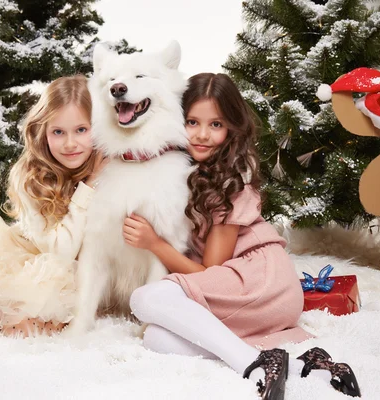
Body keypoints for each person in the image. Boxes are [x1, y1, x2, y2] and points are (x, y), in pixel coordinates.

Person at [123, 73, 360, 399]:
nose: (202, 135)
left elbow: (210, 273)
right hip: (249, 295)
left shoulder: (230, 179)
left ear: (232, 128)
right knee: (157, 339)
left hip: (259, 283)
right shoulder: (182, 169)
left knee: (145, 299)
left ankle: (254, 366)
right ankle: (311, 368)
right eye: (192, 122)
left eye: (216, 125)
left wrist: (155, 244)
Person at [0, 75, 106, 337]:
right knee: (21, 325)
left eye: (81, 130)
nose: (70, 143)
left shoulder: (109, 165)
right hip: (38, 260)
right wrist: (89, 186)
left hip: (89, 266)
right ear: (43, 131)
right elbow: (60, 254)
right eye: (58, 132)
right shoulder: (30, 177)